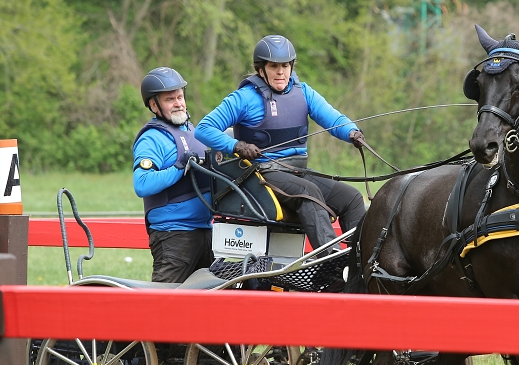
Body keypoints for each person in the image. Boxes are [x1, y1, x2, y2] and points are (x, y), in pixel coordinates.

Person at [195, 34, 367, 251]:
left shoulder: (303, 92)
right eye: (274, 66)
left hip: (297, 171)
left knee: (350, 198)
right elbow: (203, 129)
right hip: (263, 174)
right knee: (308, 192)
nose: (280, 72)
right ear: (261, 69)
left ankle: (359, 263)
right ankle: (329, 262)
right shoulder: (244, 98)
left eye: (285, 65)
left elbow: (333, 119)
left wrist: (351, 131)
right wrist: (237, 146)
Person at [133, 67, 213, 283]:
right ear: (153, 105)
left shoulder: (193, 130)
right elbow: (142, 184)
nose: (178, 103)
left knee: (209, 308)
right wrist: (178, 168)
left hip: (207, 233)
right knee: (161, 307)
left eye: (180, 96)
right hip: (174, 237)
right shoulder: (151, 139)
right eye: (170, 99)